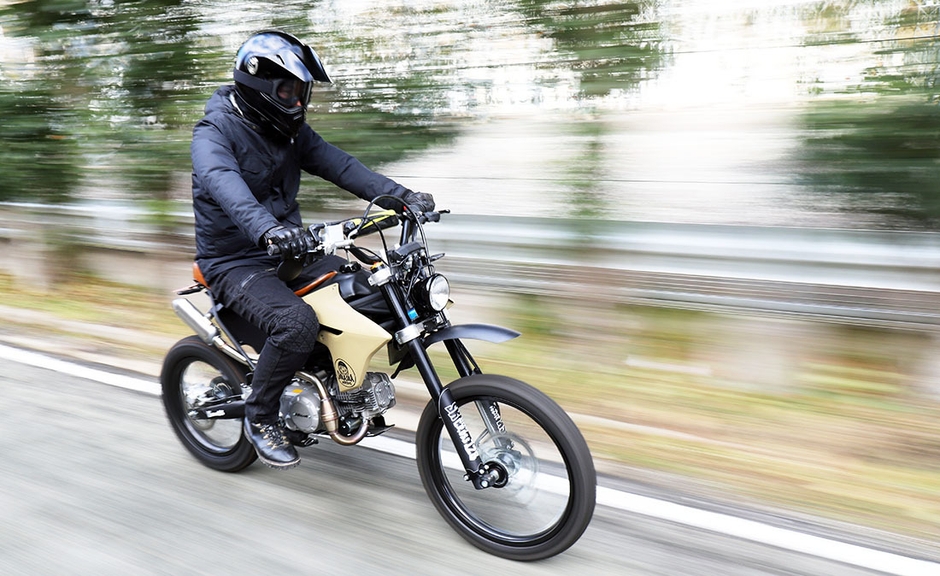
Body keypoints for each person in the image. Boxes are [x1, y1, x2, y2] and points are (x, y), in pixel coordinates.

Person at [190, 30, 434, 469]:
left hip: (289, 252)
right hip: (235, 261)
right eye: (289, 91)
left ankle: (337, 387)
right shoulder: (214, 134)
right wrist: (269, 230)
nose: (298, 102)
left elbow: (341, 166)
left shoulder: (289, 133)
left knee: (370, 289)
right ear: (259, 86)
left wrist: (403, 198)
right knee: (295, 322)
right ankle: (261, 416)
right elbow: (226, 187)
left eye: (302, 92)